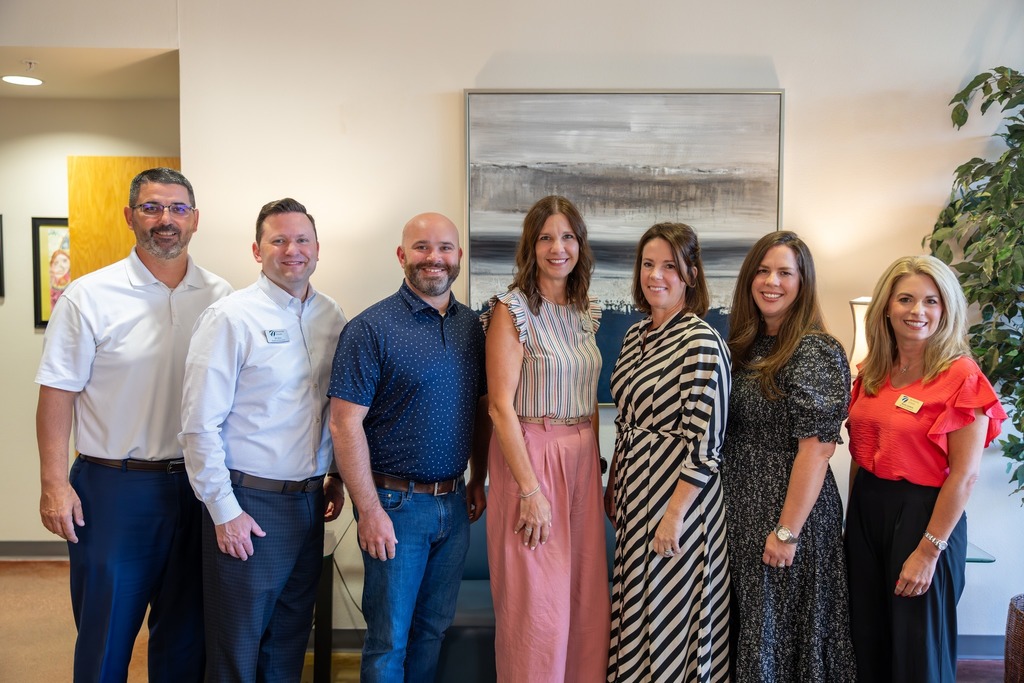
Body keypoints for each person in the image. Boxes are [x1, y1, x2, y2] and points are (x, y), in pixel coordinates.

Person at [35, 167, 232, 681]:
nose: (165, 220)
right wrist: (54, 484)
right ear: (129, 216)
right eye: (151, 207)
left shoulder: (223, 296)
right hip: (114, 489)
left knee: (188, 641)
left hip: (197, 487)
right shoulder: (88, 296)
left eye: (177, 208)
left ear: (195, 220)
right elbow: (57, 394)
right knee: (106, 640)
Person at [179, 198, 347, 681]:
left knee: (289, 642)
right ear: (257, 250)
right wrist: (224, 511)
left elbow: (329, 407)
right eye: (279, 240)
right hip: (248, 501)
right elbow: (198, 424)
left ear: (318, 250)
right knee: (237, 647)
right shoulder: (230, 317)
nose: (291, 250)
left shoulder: (331, 316)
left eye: (302, 240)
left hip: (309, 503)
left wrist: (332, 474)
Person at [328, 212, 488, 683]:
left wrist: (478, 479)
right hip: (395, 507)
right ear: (402, 256)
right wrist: (369, 509)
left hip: (454, 505)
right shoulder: (370, 328)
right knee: (388, 642)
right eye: (421, 248)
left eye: (444, 248)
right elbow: (343, 424)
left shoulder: (472, 329)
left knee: (431, 632)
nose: (433, 258)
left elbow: (480, 410)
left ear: (458, 256)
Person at [845, 255, 1006, 683]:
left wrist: (928, 550)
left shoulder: (962, 375)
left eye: (931, 301)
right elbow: (861, 454)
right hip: (867, 510)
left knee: (917, 653)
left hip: (923, 517)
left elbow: (965, 475)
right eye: (906, 299)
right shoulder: (874, 371)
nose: (917, 311)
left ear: (946, 308)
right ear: (886, 306)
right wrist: (853, 523)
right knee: (867, 641)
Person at [482, 195, 610, 682]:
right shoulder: (510, 310)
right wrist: (530, 491)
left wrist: (600, 471)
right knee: (537, 610)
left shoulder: (585, 311)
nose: (558, 248)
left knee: (584, 601)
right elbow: (499, 406)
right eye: (546, 238)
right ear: (530, 246)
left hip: (581, 459)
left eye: (568, 237)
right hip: (531, 457)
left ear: (580, 244)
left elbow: (591, 398)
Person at [720, 230, 857, 682]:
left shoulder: (814, 349)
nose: (771, 281)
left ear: (803, 283)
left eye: (784, 272)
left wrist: (787, 531)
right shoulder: (748, 345)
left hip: (787, 515)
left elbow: (817, 452)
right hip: (743, 513)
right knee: (756, 636)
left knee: (781, 641)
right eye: (762, 270)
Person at [606, 223, 732, 682]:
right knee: (636, 616)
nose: (655, 275)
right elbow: (626, 421)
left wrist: (674, 513)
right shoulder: (636, 336)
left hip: (678, 504)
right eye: (647, 264)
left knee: (672, 624)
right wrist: (615, 483)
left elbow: (706, 443)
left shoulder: (701, 341)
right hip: (635, 497)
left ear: (691, 275)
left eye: (669, 267)